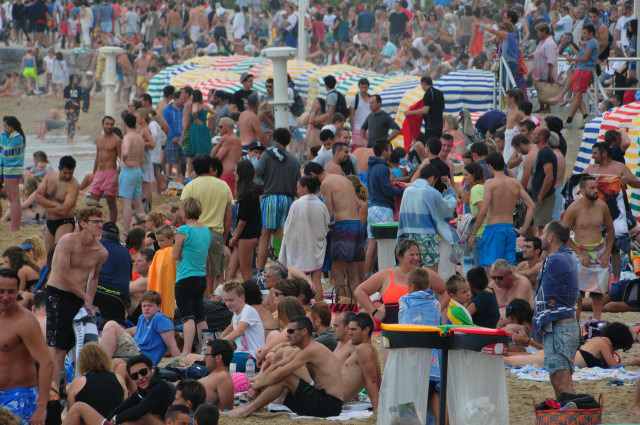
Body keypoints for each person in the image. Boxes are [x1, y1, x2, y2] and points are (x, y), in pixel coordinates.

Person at [45, 206, 108, 393]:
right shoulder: (67, 241)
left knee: (81, 345)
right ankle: (58, 391)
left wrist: (89, 301)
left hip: (78, 297)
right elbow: (63, 274)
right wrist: (86, 297)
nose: (100, 225)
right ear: (82, 224)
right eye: (95, 221)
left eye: (101, 221)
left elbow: (94, 277)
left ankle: (76, 387)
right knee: (58, 349)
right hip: (57, 293)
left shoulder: (101, 252)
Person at [229, 316, 344, 418]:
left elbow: (280, 373)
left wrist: (256, 387)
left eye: (290, 331)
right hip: (322, 399)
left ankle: (248, 410)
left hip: (329, 405)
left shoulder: (312, 350)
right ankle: (251, 406)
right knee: (279, 370)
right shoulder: (304, 348)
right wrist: (259, 381)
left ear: (304, 331)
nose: (287, 335)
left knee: (285, 377)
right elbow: (278, 365)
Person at [0, 268, 53, 425]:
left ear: (18, 292)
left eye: (11, 292)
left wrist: (42, 407)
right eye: (1, 291)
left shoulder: (25, 322)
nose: (5, 297)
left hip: (19, 397)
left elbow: (46, 363)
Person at [468, 152, 535, 275]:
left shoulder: (490, 183)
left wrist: (473, 234)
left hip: (494, 229)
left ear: (490, 166)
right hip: (510, 229)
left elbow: (483, 211)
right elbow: (531, 205)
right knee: (509, 270)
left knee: (492, 271)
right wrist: (523, 229)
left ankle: (495, 294)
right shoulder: (514, 183)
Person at [533, 221, 580, 398]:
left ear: (550, 237)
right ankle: (565, 416)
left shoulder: (555, 259)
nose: (540, 237)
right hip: (562, 327)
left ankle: (572, 418)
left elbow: (544, 295)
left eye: (543, 233)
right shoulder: (566, 257)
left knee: (562, 381)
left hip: (561, 328)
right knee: (557, 379)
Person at [304, 162, 364, 292]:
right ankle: (354, 306)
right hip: (356, 225)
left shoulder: (326, 184)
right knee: (352, 271)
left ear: (312, 174)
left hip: (343, 228)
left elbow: (328, 213)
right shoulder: (344, 179)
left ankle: (343, 305)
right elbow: (358, 204)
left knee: (337, 271)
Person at [583, 142, 640, 281]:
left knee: (616, 248)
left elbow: (637, 183)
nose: (593, 156)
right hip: (596, 212)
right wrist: (572, 177)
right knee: (596, 246)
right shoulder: (591, 169)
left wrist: (629, 180)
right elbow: (579, 183)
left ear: (604, 153)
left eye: (595, 153)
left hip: (617, 212)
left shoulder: (619, 167)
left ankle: (617, 278)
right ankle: (598, 278)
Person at [64, 354, 175, 425]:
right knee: (78, 407)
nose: (140, 378)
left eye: (143, 372)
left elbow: (140, 410)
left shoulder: (161, 387)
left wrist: (116, 419)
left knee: (140, 417)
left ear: (152, 369)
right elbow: (124, 405)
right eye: (135, 376)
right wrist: (109, 419)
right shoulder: (143, 388)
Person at [356, 239, 446, 324]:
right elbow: (359, 291)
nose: (416, 258)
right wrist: (375, 312)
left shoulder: (425, 273)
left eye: (417, 254)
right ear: (399, 256)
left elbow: (448, 290)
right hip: (392, 329)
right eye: (411, 255)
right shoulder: (385, 275)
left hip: (422, 328)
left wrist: (438, 309)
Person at [563, 175, 614, 321]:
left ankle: (596, 322)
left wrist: (607, 252)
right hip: (580, 253)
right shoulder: (574, 208)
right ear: (582, 191)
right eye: (592, 188)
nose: (596, 190)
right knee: (577, 294)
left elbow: (610, 231)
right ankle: (576, 325)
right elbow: (563, 234)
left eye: (597, 187)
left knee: (598, 294)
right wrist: (579, 253)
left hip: (600, 252)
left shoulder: (602, 206)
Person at [180, 155, 232, 296]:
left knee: (198, 271)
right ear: (210, 167)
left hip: (194, 232)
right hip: (215, 232)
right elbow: (228, 215)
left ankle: (203, 302)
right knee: (219, 272)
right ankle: (220, 302)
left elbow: (182, 212)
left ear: (195, 170)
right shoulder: (223, 185)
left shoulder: (190, 186)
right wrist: (224, 235)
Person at [255, 128, 301, 273]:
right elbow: (297, 184)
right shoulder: (294, 160)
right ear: (288, 142)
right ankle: (285, 271)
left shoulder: (267, 155)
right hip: (287, 199)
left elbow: (257, 172)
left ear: (274, 140)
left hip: (270, 199)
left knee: (265, 237)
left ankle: (261, 271)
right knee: (284, 237)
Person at [279, 175, 329, 300]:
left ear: (305, 188)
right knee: (316, 279)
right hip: (315, 247)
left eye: (298, 188)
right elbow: (326, 225)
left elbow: (288, 226)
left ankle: (294, 304)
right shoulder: (321, 205)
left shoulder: (296, 204)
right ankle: (319, 307)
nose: (297, 191)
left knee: (293, 278)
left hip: (298, 246)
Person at [398, 164, 457, 271]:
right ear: (432, 178)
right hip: (427, 236)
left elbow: (402, 215)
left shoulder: (407, 191)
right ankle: (429, 288)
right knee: (431, 270)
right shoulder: (431, 192)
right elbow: (447, 206)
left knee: (412, 270)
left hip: (409, 235)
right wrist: (449, 187)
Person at [100, 290, 181, 365]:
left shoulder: (160, 318)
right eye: (144, 306)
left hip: (142, 358)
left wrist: (180, 365)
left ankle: (105, 367)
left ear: (158, 307)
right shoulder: (142, 318)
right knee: (97, 341)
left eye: (150, 305)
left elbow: (172, 346)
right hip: (134, 351)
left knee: (111, 325)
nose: (146, 309)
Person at [174, 197, 211, 355]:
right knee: (200, 316)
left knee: (187, 316)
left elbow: (175, 254)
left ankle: (186, 351)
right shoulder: (206, 230)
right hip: (201, 277)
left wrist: (181, 252)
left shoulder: (184, 230)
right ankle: (205, 348)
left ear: (184, 211)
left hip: (185, 277)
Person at [365, 138, 405, 274]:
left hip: (372, 208)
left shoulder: (371, 166)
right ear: (384, 152)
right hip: (383, 209)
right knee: (387, 246)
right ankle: (387, 275)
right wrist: (404, 190)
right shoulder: (382, 167)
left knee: (372, 246)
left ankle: (366, 276)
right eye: (389, 149)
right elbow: (387, 190)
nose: (391, 152)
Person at [66, 342, 126, 415]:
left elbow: (70, 412)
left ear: (82, 361)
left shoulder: (78, 383)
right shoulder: (119, 379)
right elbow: (124, 405)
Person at [35, 156, 80, 252]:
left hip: (64, 222)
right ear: (59, 169)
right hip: (49, 221)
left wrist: (45, 203)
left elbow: (64, 211)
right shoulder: (49, 177)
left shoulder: (74, 186)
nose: (68, 176)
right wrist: (56, 205)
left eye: (70, 173)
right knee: (49, 256)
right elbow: (37, 197)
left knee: (59, 253)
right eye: (65, 173)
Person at [226, 160, 262, 282]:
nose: (234, 172)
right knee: (230, 271)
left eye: (237, 170)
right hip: (243, 236)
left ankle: (250, 299)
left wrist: (235, 236)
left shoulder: (250, 193)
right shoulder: (245, 191)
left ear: (243, 173)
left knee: (245, 272)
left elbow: (243, 220)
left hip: (247, 235)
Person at [220, 280, 265, 372]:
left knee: (219, 365)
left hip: (252, 357)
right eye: (226, 300)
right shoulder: (236, 315)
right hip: (241, 354)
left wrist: (218, 343)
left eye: (231, 300)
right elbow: (229, 331)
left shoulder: (248, 310)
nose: (228, 303)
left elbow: (238, 332)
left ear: (242, 297)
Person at [94, 221, 133, 326]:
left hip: (96, 290)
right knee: (117, 326)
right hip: (119, 297)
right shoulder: (126, 252)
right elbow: (129, 277)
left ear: (101, 235)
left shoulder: (96, 246)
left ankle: (95, 323)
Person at [341, 313, 381, 411]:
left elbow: (372, 381)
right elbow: (376, 381)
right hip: (331, 398)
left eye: (353, 329)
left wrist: (377, 409)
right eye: (349, 329)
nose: (349, 333)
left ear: (366, 330)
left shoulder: (362, 349)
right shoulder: (371, 349)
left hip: (329, 400)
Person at [563, 24, 599, 128]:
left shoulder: (592, 42)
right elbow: (581, 55)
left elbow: (585, 58)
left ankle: (569, 121)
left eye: (585, 33)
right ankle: (585, 116)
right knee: (577, 96)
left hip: (583, 70)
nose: (583, 35)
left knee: (577, 96)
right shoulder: (590, 43)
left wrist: (572, 60)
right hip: (582, 70)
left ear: (591, 33)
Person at [89, 116, 121, 223]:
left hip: (111, 173)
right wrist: (94, 174)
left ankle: (112, 224)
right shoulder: (98, 139)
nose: (109, 126)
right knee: (93, 202)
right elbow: (97, 157)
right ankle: (93, 222)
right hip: (99, 173)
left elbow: (122, 159)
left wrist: (117, 175)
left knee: (111, 202)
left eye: (111, 124)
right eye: (107, 124)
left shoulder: (117, 140)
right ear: (102, 125)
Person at [119, 112, 145, 234]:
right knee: (138, 203)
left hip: (128, 171)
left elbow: (125, 152)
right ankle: (143, 228)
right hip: (138, 171)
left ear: (125, 124)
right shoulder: (139, 137)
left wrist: (124, 159)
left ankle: (125, 231)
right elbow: (142, 157)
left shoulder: (127, 137)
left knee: (126, 203)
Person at [0, 116, 26, 233]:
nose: (4, 129)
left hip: (13, 171)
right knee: (12, 199)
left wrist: (4, 135)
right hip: (10, 171)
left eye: (5, 126)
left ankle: (15, 227)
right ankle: (14, 226)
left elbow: (5, 151)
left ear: (11, 126)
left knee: (14, 199)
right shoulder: (12, 136)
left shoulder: (17, 138)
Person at [147, 225, 178, 319]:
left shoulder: (171, 252)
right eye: (158, 241)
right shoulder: (159, 252)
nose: (160, 243)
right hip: (158, 286)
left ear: (171, 238)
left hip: (169, 286)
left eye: (162, 240)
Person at [530, 127, 557, 234]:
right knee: (540, 225)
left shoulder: (545, 152)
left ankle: (543, 250)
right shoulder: (543, 152)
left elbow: (549, 176)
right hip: (541, 195)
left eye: (534, 134)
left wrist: (540, 195)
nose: (531, 136)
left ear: (541, 137)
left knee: (543, 228)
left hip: (545, 196)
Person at [199, 339, 234, 411]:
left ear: (218, 358)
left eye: (207, 355)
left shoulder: (223, 377)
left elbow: (226, 410)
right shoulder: (216, 376)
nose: (204, 358)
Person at [210, 117, 242, 196]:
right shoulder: (233, 138)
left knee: (227, 203)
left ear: (229, 127)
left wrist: (219, 144)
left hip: (227, 176)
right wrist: (220, 143)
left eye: (221, 126)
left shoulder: (230, 140)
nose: (218, 128)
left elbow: (216, 158)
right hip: (229, 175)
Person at [349, 78, 371, 149]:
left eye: (365, 87)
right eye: (361, 87)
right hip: (357, 129)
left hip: (369, 129)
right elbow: (351, 116)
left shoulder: (371, 99)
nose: (363, 90)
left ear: (368, 87)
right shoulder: (354, 100)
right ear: (359, 87)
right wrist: (353, 129)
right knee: (358, 149)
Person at [63, 75, 82, 143]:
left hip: (76, 108)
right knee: (69, 122)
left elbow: (80, 97)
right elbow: (64, 98)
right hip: (69, 107)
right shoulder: (67, 88)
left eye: (76, 78)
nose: (76, 79)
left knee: (74, 123)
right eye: (74, 78)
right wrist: (69, 100)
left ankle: (71, 137)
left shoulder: (78, 88)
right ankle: (68, 137)